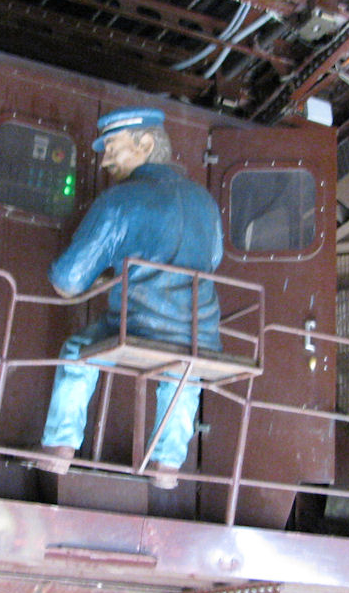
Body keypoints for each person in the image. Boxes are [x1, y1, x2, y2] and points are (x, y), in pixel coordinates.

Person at [38, 107, 222, 489]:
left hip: (137, 325)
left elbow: (68, 281)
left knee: (78, 352)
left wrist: (105, 273)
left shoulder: (120, 200)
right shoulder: (205, 202)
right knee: (184, 374)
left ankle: (60, 448)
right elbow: (214, 259)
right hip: (200, 332)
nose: (105, 160)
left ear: (146, 144)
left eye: (112, 148)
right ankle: (167, 466)